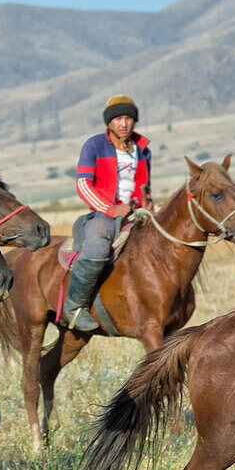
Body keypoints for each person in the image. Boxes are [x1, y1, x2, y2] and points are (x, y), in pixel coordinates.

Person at [65, 95, 153, 331]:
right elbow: (83, 184)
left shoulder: (143, 149)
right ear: (109, 122)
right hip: (103, 214)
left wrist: (148, 205)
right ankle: (75, 307)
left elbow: (145, 185)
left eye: (128, 118)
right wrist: (110, 208)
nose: (124, 124)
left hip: (136, 212)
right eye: (118, 119)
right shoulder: (94, 145)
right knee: (97, 247)